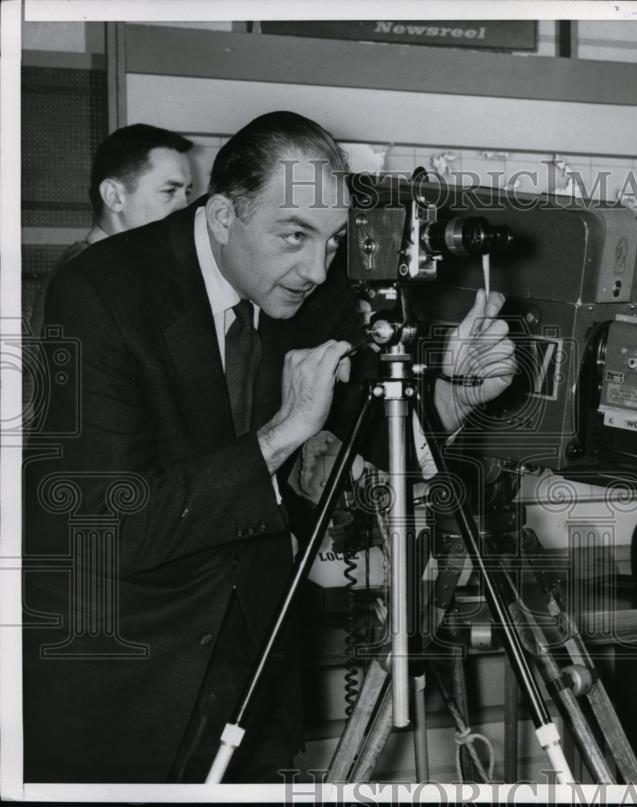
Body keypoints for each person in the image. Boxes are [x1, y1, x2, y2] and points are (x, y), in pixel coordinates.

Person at [22, 111, 514, 784]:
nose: (316, 267)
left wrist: (456, 396)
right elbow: (114, 520)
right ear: (223, 215)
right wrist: (282, 433)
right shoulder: (100, 294)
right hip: (123, 679)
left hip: (252, 676)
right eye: (295, 236)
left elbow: (376, 426)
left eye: (335, 241)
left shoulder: (311, 288)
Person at [30, 123, 194, 334]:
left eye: (187, 194)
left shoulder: (112, 271)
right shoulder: (87, 280)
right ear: (114, 196)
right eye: (169, 191)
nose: (185, 208)